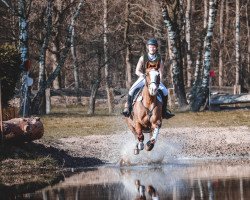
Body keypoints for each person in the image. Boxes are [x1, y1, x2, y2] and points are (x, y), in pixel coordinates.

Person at [122, 38, 175, 119]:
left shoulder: (159, 59)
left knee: (165, 91)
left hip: (155, 79)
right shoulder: (143, 58)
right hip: (144, 78)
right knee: (131, 90)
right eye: (151, 47)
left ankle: (164, 112)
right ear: (148, 47)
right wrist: (142, 75)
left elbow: (161, 72)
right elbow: (137, 71)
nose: (152, 48)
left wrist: (158, 81)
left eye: (154, 47)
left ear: (156, 48)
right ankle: (128, 110)